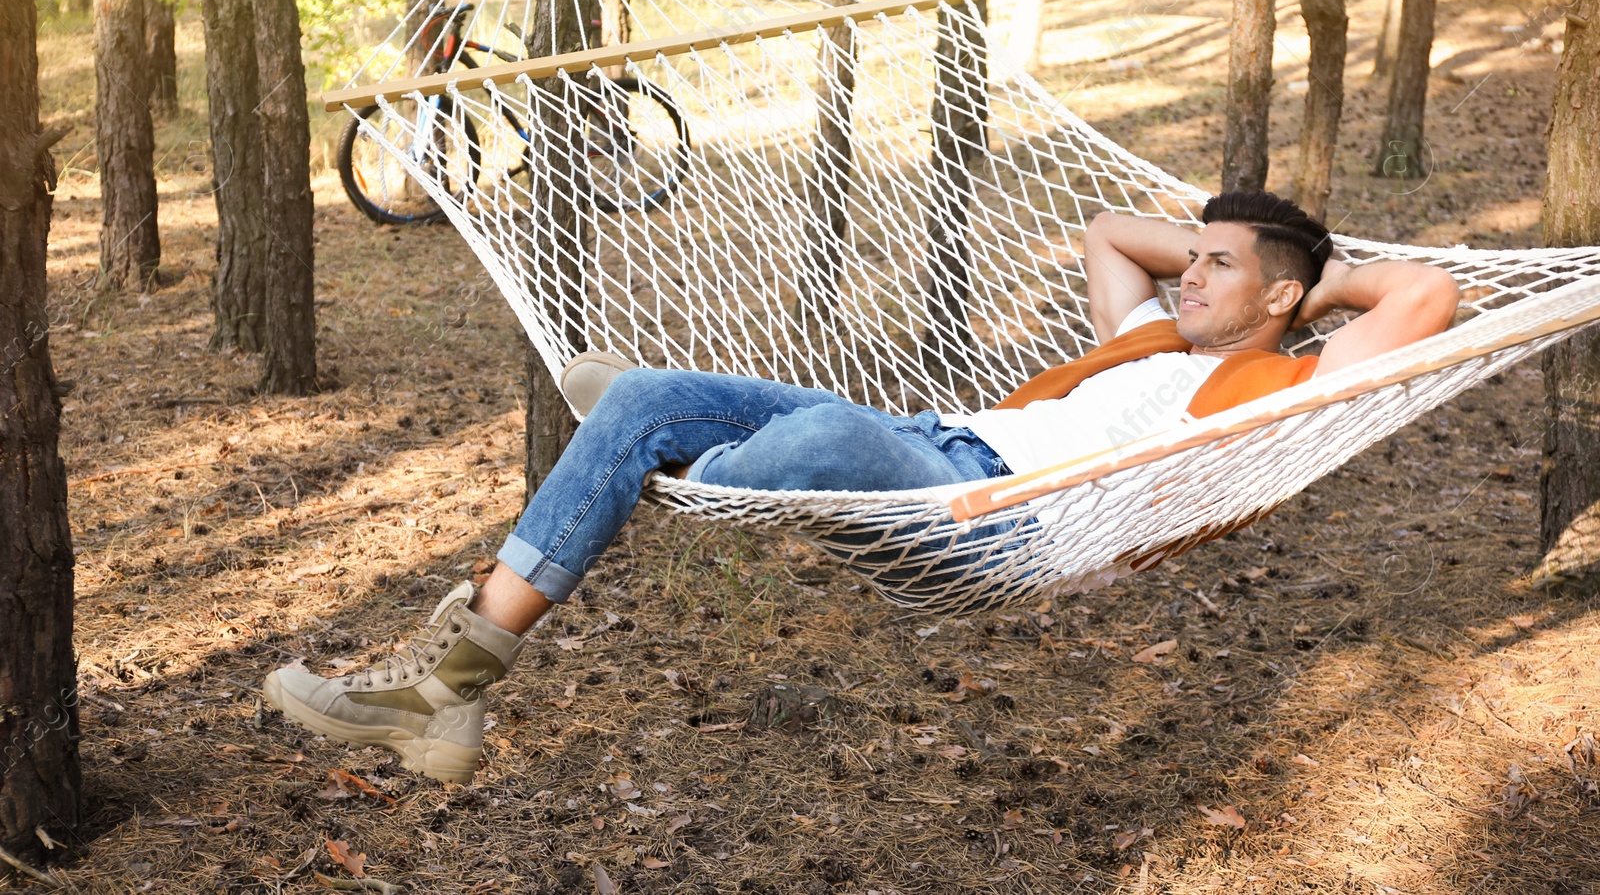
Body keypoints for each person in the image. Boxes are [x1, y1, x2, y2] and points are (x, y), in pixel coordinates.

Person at [263, 192, 1460, 781]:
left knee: (789, 431)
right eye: (1188, 260)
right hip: (920, 442)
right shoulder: (1148, 338)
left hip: (995, 523)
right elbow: (1105, 227)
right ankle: (455, 686)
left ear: (1284, 302)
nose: (1188, 276)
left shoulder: (1271, 385)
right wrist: (1229, 242)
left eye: (1217, 268)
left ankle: (669, 468)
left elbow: (1419, 302)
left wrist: (1305, 276)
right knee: (635, 393)